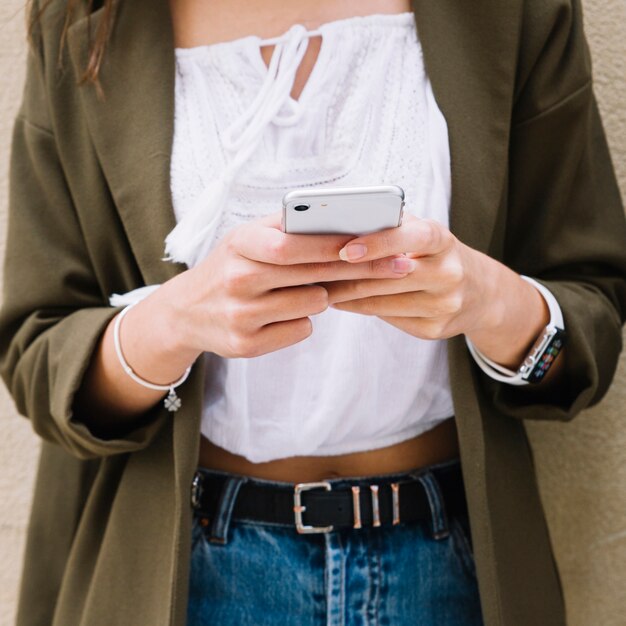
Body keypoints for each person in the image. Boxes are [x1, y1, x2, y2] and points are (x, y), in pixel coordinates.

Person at [1, 0, 625, 624]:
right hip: (190, 571)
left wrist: (489, 301)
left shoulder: (511, 12)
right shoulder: (84, 22)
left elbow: (593, 309)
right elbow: (38, 351)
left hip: (446, 567)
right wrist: (174, 323)